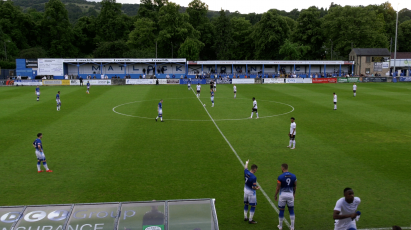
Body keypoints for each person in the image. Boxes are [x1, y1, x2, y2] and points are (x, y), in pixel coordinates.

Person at [275, 164, 297, 230]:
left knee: (281, 210)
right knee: (291, 210)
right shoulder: (293, 176)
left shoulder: (280, 177)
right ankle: (292, 227)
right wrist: (294, 193)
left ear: (283, 168)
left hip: (283, 195)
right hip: (290, 195)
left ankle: (280, 226)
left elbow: (278, 187)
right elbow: (295, 186)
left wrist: (276, 195)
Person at [244, 159, 259, 224]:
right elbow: (253, 187)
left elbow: (245, 168)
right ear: (254, 170)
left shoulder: (246, 172)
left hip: (245, 191)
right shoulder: (254, 177)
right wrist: (257, 188)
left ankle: (245, 217)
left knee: (246, 204)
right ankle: (250, 220)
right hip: (251, 193)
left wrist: (246, 162)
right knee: (253, 206)